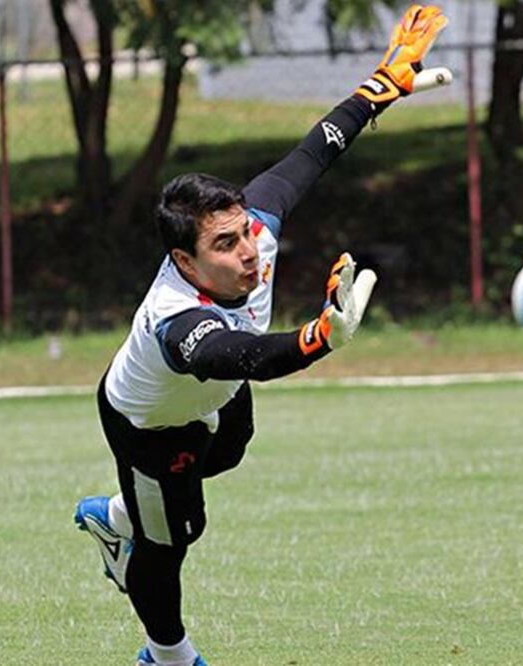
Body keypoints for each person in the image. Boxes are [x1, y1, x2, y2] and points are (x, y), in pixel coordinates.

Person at [72, 6, 449, 665]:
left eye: (245, 230)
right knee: (175, 539)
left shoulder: (256, 232)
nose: (248, 250)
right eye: (225, 243)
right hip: (148, 425)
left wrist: (378, 88)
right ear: (186, 262)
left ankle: (122, 512)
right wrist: (321, 336)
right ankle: (169, 655)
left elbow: (315, 152)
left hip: (215, 401)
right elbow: (240, 355)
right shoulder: (176, 318)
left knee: (235, 445)